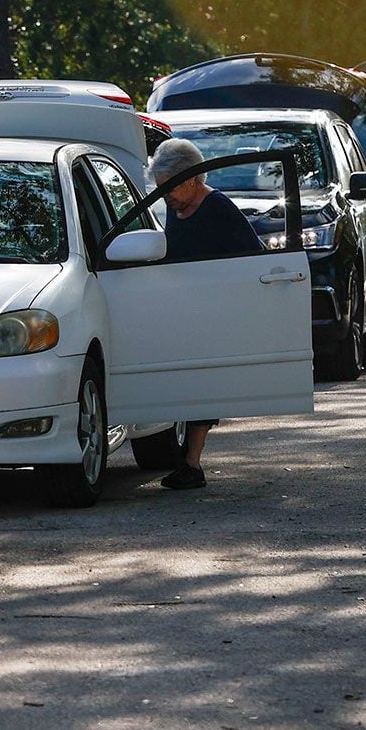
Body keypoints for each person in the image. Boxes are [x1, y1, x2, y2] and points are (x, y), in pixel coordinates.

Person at [147, 137, 263, 491]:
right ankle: (181, 458)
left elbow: (252, 258)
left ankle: (192, 463)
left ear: (193, 179)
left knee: (201, 384)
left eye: (169, 187)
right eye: (160, 187)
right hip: (177, 309)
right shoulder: (171, 206)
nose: (165, 194)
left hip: (211, 311)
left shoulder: (219, 208)